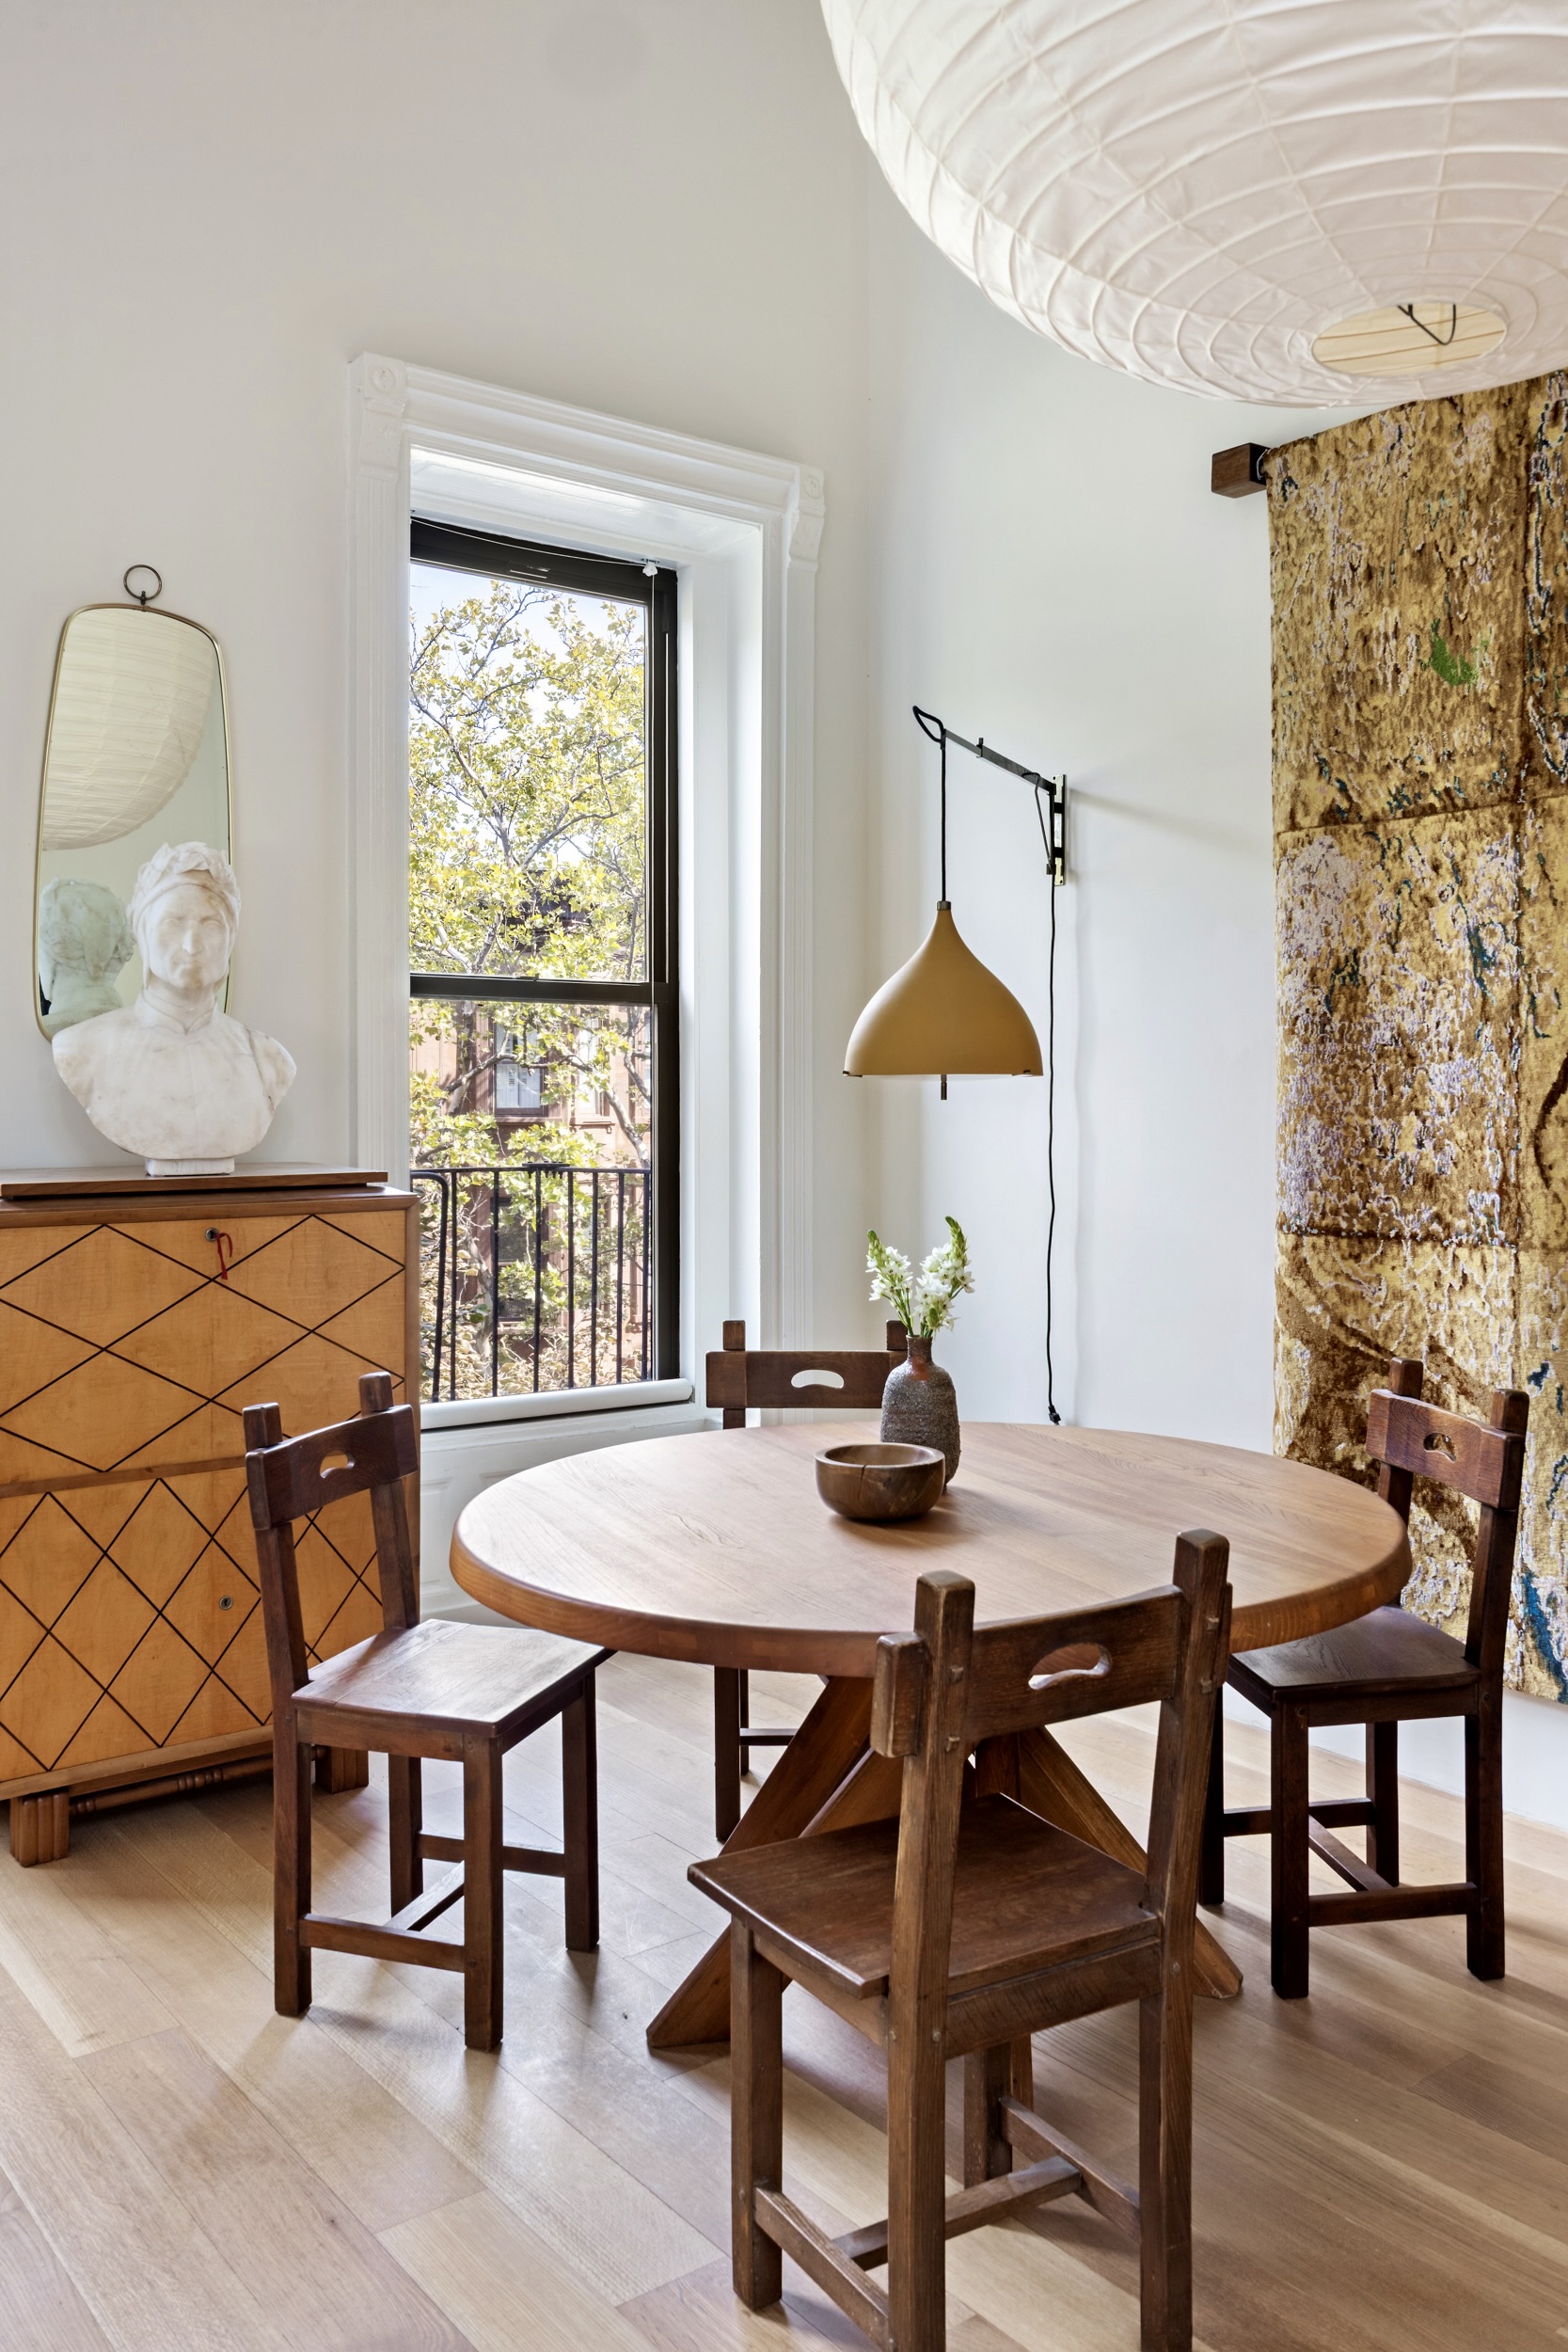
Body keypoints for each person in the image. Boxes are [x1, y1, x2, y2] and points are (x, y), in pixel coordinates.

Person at [52, 841, 294, 1173]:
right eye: (173, 922)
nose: (191, 944)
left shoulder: (269, 1059)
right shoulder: (80, 1049)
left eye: (211, 925)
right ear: (143, 933)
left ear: (230, 940)